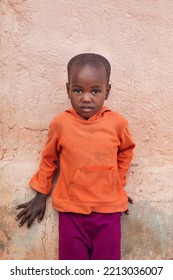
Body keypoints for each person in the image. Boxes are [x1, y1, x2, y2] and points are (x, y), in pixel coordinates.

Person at [16, 53, 135, 260]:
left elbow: (126, 151)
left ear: (107, 92)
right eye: (78, 90)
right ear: (68, 89)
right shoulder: (61, 124)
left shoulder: (116, 123)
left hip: (108, 213)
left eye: (95, 91)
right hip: (71, 212)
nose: (86, 98)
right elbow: (49, 160)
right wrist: (40, 195)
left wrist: (117, 182)